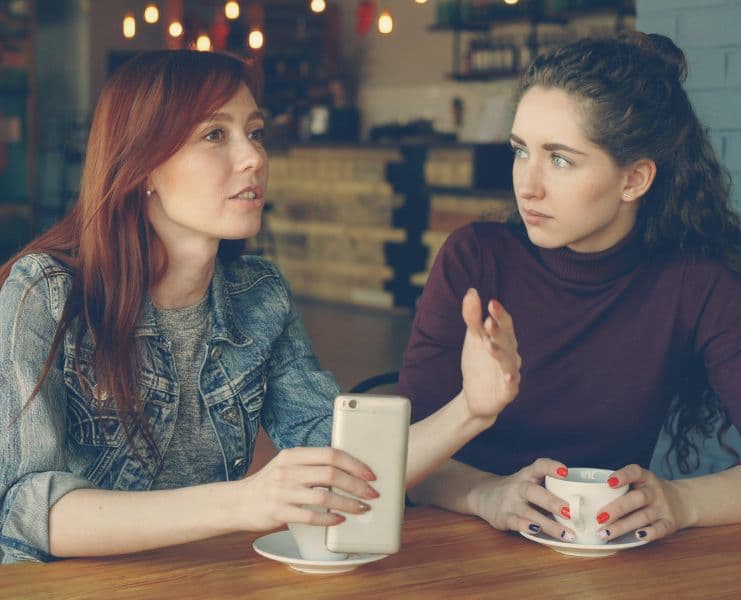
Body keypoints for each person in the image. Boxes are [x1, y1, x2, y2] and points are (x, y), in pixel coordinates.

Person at [0, 51, 521, 564]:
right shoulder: (44, 293)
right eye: (214, 135)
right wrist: (244, 501)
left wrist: (472, 410)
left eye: (254, 132)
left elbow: (347, 467)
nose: (252, 157)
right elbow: (24, 507)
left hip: (202, 580)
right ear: (143, 168)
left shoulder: (260, 296)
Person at [400, 32, 741, 544]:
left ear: (634, 180)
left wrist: (682, 501)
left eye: (560, 159)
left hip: (598, 562)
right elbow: (398, 459)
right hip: (449, 547)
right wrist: (487, 494)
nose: (528, 184)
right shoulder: (475, 259)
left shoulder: (696, 287)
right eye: (521, 151)